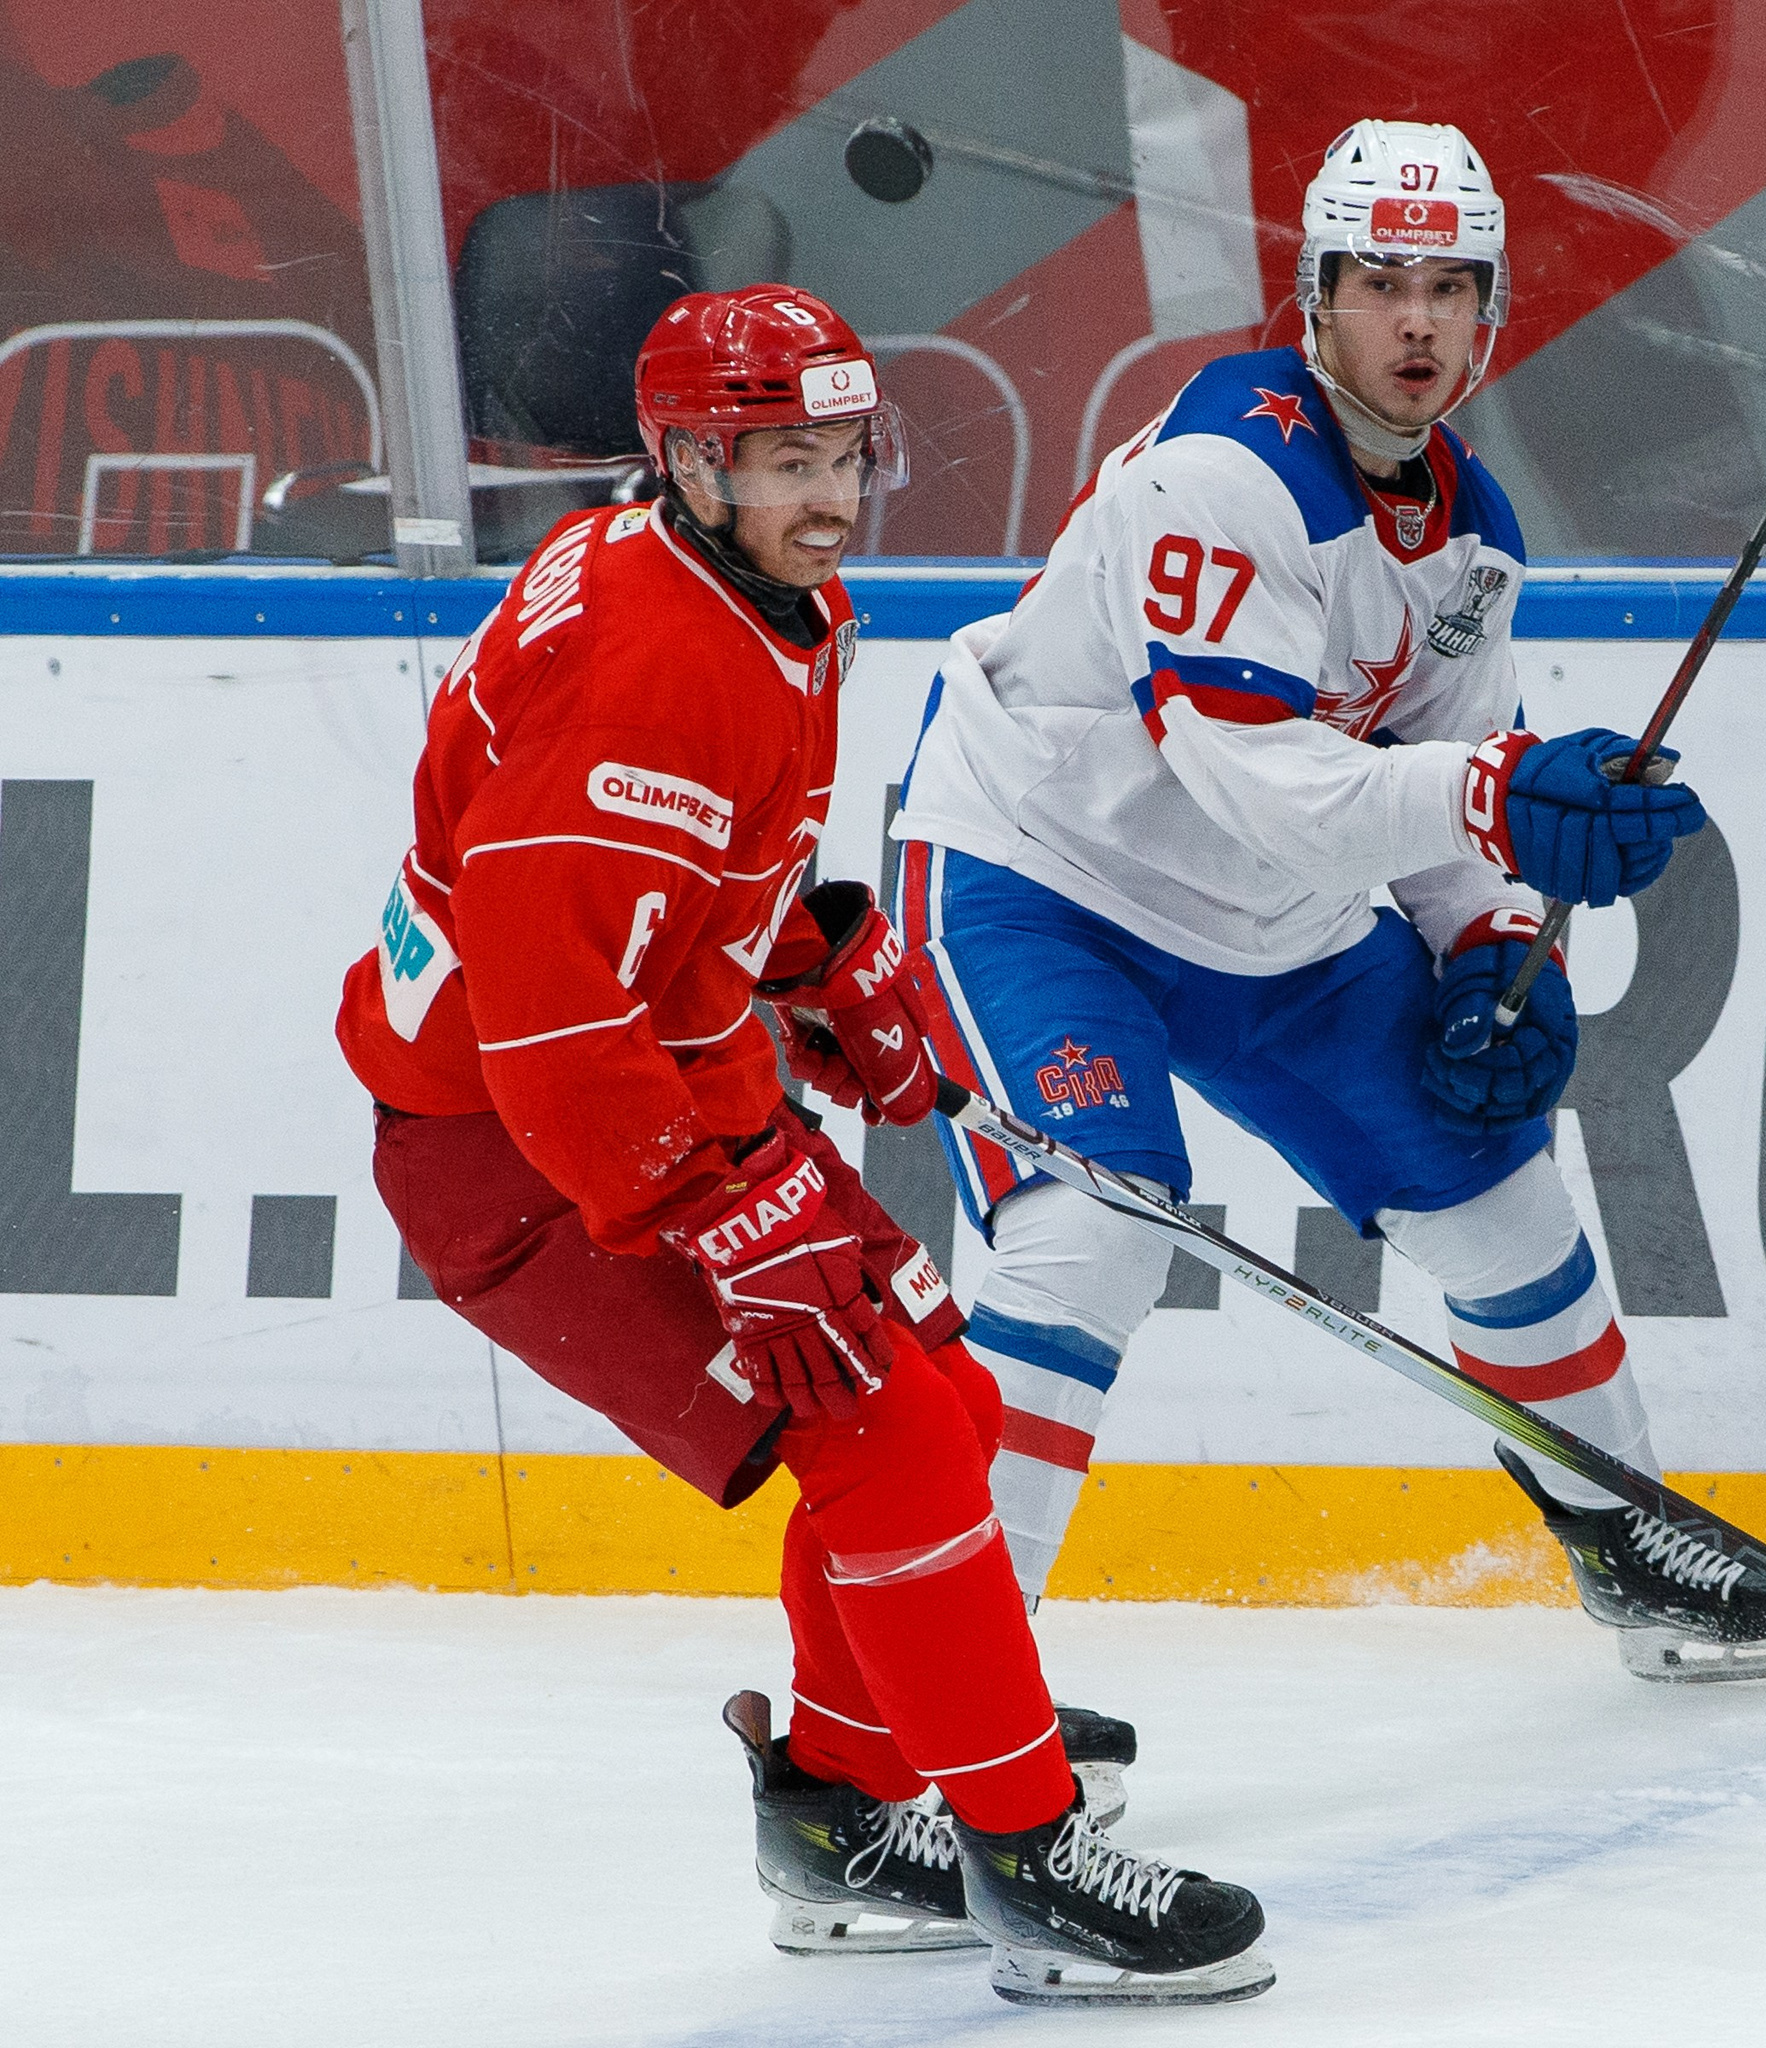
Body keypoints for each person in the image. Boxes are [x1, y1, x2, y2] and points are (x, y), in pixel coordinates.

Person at [334, 285, 1272, 2009]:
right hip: (526, 1146)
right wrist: (714, 1203)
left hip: (650, 1089)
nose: (828, 492)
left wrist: (820, 957)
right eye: (783, 458)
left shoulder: (751, 592)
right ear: (686, 459)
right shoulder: (647, 658)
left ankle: (844, 1805)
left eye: (845, 452)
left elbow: (689, 887)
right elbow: (549, 1014)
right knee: (892, 1439)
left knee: (948, 1399)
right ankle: (1028, 1856)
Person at [869, 121, 1766, 1689]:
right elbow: (1251, 775)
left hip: (1272, 921)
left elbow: (1438, 784)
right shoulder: (1222, 470)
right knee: (1090, 1236)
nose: (1413, 321)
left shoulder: (1471, 536)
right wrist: (1494, 796)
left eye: (1448, 286)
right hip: (1038, 879)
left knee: (1499, 1187)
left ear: (1491, 316)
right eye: (1378, 281)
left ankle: (1627, 1532)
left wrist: (1489, 946)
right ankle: (942, 1713)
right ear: (1312, 300)